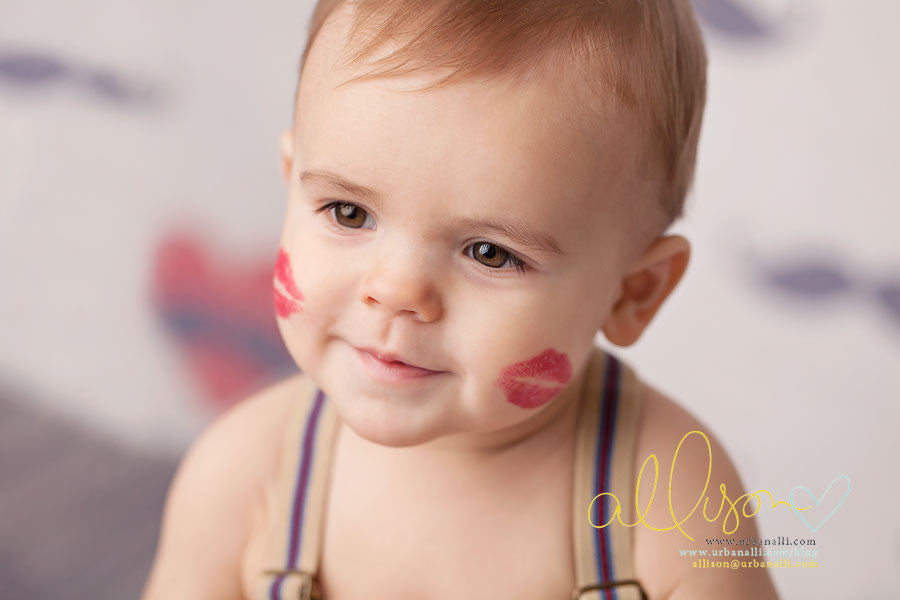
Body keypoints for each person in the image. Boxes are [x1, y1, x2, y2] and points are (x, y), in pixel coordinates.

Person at [142, 1, 781, 598]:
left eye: (490, 253)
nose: (395, 291)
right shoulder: (243, 477)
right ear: (291, 187)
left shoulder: (673, 497)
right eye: (348, 212)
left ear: (632, 293)